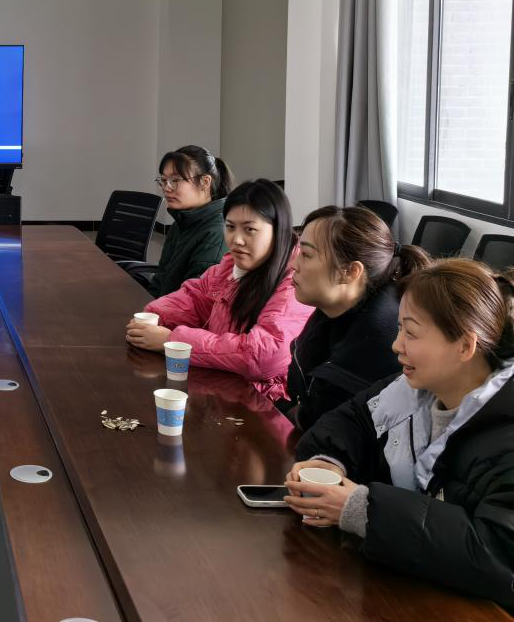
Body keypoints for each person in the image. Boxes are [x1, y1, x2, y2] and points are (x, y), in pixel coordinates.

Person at [286, 259, 514, 610]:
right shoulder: (413, 389)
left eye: (411, 333)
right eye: (399, 329)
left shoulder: (505, 432)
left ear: (465, 346)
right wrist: (328, 461)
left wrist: (362, 509)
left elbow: (496, 553)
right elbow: (351, 421)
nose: (396, 345)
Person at [126, 179, 312, 399]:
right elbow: (192, 299)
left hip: (266, 401)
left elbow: (262, 357)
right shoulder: (228, 269)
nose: (237, 240)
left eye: (250, 229)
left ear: (278, 231)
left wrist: (173, 341)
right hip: (225, 388)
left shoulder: (294, 283)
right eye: (230, 227)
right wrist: (153, 318)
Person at [279, 205, 431, 430]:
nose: (294, 264)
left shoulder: (380, 336)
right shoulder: (334, 309)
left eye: (307, 255)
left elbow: (323, 421)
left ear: (350, 272)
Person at [146, 145, 234, 297]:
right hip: (163, 307)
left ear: (205, 182)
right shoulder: (181, 221)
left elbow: (194, 301)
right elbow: (160, 278)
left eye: (175, 180)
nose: (166, 188)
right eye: (164, 180)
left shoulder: (217, 233)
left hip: (179, 311)